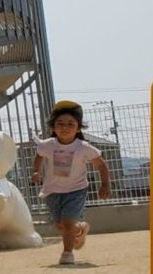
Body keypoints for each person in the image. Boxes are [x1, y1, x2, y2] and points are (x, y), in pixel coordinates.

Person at [31, 99, 111, 265]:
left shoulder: (83, 147)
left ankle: (67, 254)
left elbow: (101, 165)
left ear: (78, 128)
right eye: (60, 124)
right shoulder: (48, 145)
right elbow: (39, 155)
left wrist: (105, 185)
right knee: (60, 225)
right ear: (53, 127)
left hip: (76, 190)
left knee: (67, 223)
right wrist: (36, 171)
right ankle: (79, 229)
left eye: (70, 124)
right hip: (52, 191)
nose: (65, 128)